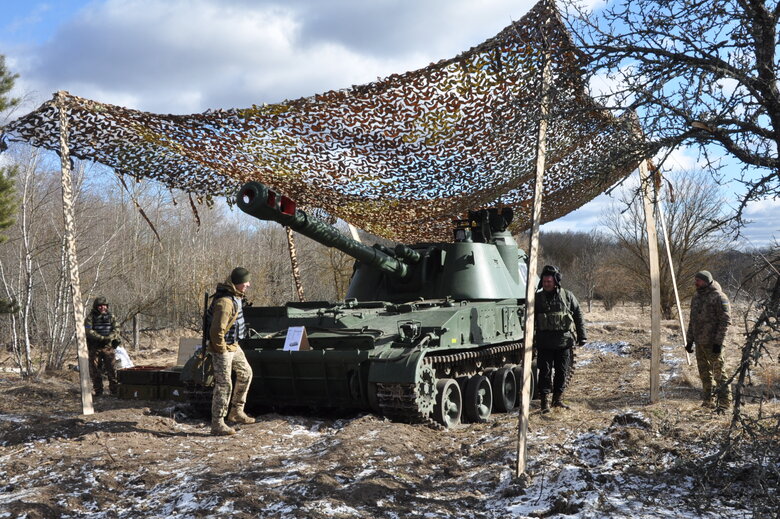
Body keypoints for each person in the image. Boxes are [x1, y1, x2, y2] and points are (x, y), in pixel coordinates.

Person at [207, 267, 255, 435]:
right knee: (224, 384)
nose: (248, 284)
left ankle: (236, 411)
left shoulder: (236, 297)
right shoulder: (225, 302)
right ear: (237, 283)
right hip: (223, 348)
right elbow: (216, 332)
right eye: (245, 282)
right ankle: (217, 423)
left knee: (246, 373)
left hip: (233, 345)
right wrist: (221, 350)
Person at [534, 265, 587, 413]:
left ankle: (557, 400)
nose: (546, 284)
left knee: (561, 372)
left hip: (563, 342)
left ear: (556, 282)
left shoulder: (567, 296)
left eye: (549, 281)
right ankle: (544, 403)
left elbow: (578, 315)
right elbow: (529, 319)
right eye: (544, 281)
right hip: (544, 342)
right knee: (544, 372)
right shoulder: (537, 299)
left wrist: (582, 336)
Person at [686, 270, 732, 413]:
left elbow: (725, 321)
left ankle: (725, 403)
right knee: (704, 374)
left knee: (719, 373)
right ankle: (708, 401)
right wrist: (689, 341)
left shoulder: (719, 296)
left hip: (713, 343)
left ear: (706, 281)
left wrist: (718, 343)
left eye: (698, 280)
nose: (696, 283)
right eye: (695, 280)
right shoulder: (696, 296)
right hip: (700, 342)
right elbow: (692, 321)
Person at [84, 296, 121, 396]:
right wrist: (101, 337)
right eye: (100, 306)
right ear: (96, 307)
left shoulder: (111, 316)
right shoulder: (90, 317)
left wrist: (110, 336)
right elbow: (88, 330)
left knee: (112, 370)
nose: (102, 308)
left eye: (104, 306)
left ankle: (114, 391)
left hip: (108, 348)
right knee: (95, 370)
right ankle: (98, 391)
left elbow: (117, 329)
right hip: (95, 348)